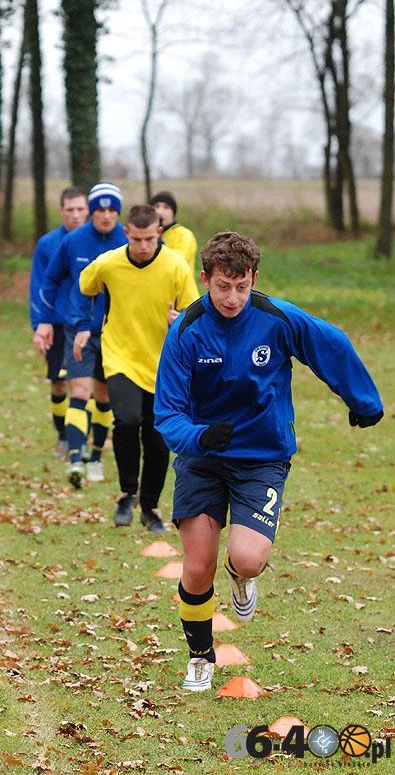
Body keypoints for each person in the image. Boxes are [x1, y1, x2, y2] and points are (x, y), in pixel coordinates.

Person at [154, 231, 384, 692]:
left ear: (254, 279)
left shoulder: (276, 318)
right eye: (222, 286)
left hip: (261, 458)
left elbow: (331, 344)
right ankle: (200, 656)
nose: (232, 297)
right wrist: (200, 436)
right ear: (205, 279)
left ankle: (241, 577)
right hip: (203, 458)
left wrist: (362, 400)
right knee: (198, 567)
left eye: (241, 286)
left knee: (248, 558)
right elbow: (167, 414)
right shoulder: (186, 331)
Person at [77, 204, 200, 533]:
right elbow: (85, 286)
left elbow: (194, 313)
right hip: (120, 356)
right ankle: (126, 493)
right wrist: (82, 326)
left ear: (158, 233)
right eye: (137, 239)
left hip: (163, 363)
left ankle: (150, 507)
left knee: (158, 439)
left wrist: (181, 321)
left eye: (149, 239)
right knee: (128, 420)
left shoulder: (175, 266)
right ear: (126, 233)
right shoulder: (109, 263)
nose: (143, 246)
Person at [33, 182, 125, 488]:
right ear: (93, 211)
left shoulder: (128, 239)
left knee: (103, 396)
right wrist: (44, 319)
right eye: (101, 209)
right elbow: (49, 281)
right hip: (77, 328)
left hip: (114, 332)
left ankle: (96, 457)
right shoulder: (72, 242)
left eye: (113, 210)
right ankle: (75, 460)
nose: (107, 215)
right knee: (79, 392)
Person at [31, 187, 89, 457]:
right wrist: (38, 325)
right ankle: (63, 437)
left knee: (83, 383)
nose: (75, 215)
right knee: (58, 382)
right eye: (70, 210)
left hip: (85, 325)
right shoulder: (47, 244)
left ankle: (81, 438)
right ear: (61, 211)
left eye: (80, 209)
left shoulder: (94, 241)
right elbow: (39, 286)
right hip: (55, 324)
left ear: (87, 210)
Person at [149, 190, 198, 273]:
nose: (160, 212)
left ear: (173, 212)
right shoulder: (146, 235)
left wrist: (161, 247)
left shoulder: (185, 235)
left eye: (166, 207)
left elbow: (177, 262)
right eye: (156, 207)